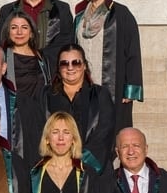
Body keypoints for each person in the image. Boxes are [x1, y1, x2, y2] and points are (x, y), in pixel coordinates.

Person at [73, 0, 143, 133]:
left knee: (113, 133)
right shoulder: (79, 17)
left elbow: (132, 51)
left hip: (114, 86)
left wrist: (131, 88)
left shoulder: (121, 14)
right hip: (85, 86)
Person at [43, 44, 116, 175]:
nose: (70, 67)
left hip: (92, 172)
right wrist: (59, 162)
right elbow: (40, 130)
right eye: (64, 63)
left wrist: (81, 162)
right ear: (58, 68)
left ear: (84, 66)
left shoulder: (100, 95)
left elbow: (104, 132)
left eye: (76, 63)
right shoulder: (45, 95)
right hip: (54, 170)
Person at [0, 10, 50, 100]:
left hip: (39, 111)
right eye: (14, 28)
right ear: (8, 32)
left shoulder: (41, 57)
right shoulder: (2, 57)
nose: (19, 32)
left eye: (24, 27)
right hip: (14, 111)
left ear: (31, 33)